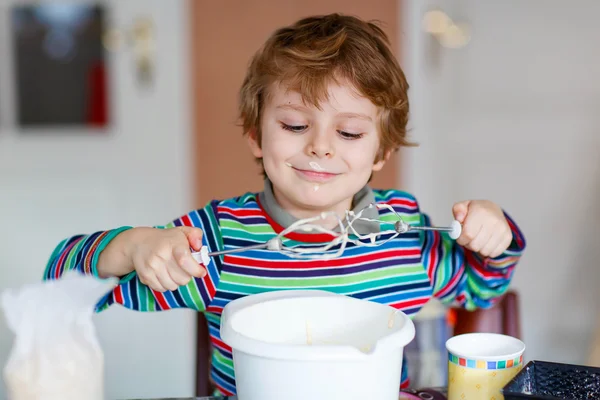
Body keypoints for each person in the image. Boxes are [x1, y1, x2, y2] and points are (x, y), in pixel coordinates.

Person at [44, 13, 526, 396]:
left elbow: (484, 289)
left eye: (350, 132)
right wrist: (133, 247)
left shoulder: (401, 229)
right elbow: (60, 287)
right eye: (296, 126)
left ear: (381, 151)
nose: (320, 146)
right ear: (256, 134)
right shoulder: (212, 239)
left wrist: (493, 234)